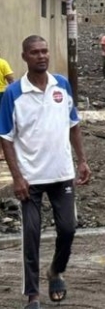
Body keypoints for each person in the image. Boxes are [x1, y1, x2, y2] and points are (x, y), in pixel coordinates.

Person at [0, 35, 91, 309]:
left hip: (62, 173)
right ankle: (32, 295)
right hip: (30, 179)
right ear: (24, 57)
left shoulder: (61, 85)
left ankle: (55, 271)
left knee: (68, 229)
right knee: (31, 235)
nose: (41, 56)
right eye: (35, 52)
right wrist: (17, 177)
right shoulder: (13, 93)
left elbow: (73, 124)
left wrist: (82, 161)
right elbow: (6, 138)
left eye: (44, 51)